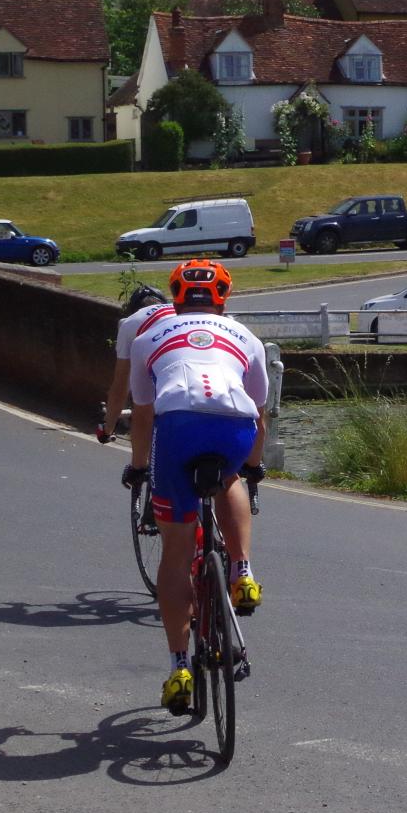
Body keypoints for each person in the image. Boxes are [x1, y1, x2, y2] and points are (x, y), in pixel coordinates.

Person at [124, 260, 269, 716]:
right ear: (223, 297)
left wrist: (139, 469)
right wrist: (254, 467)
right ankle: (242, 570)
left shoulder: (150, 336)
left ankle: (179, 665)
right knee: (230, 477)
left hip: (178, 426)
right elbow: (259, 414)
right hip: (233, 427)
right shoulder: (247, 337)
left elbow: (144, 416)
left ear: (175, 295)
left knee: (176, 552)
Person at [102, 283, 173, 442]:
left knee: (143, 412)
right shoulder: (179, 312)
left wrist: (107, 429)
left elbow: (120, 386)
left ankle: (138, 467)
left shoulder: (130, 323)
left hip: (170, 396)